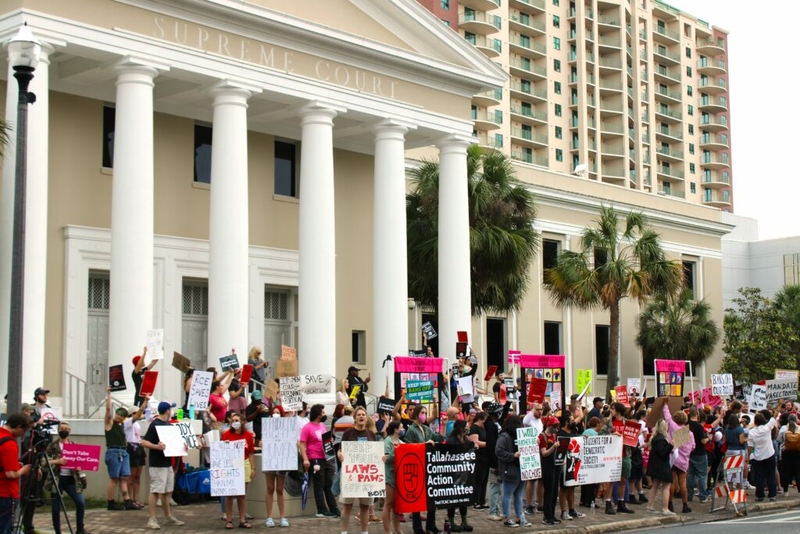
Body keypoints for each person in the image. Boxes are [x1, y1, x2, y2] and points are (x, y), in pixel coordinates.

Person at [141, 401, 185, 530]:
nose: (171, 411)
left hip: (167, 463)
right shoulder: (155, 424)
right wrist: (157, 447)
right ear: (167, 411)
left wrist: (182, 446)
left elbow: (172, 442)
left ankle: (168, 516)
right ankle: (152, 519)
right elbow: (143, 442)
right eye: (170, 409)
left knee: (167, 491)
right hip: (157, 464)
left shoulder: (167, 424)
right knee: (155, 490)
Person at [337, 406, 378, 534]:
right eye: (359, 415)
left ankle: (364, 532)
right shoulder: (348, 433)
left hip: (366, 476)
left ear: (366, 419)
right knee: (347, 506)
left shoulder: (371, 434)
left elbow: (375, 453)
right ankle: (344, 532)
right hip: (351, 476)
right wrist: (340, 454)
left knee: (365, 506)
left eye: (363, 415)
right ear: (354, 418)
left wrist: (381, 458)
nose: (361, 416)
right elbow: (340, 449)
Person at [404, 404, 443, 534]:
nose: (424, 415)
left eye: (425, 413)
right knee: (417, 499)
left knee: (432, 498)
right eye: (422, 412)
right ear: (416, 414)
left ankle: (431, 525)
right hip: (417, 467)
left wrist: (444, 425)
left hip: (429, 467)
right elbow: (408, 448)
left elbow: (439, 438)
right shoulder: (411, 430)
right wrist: (423, 445)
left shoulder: (426, 429)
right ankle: (417, 527)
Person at [45, 422, 89, 534]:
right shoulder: (52, 445)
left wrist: (79, 467)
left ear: (70, 431)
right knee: (56, 507)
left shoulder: (74, 445)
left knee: (80, 502)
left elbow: (80, 460)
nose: (64, 430)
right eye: (62, 428)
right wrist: (57, 461)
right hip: (57, 479)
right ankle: (57, 531)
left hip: (71, 479)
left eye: (66, 429)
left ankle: (80, 528)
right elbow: (44, 461)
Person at [299, 404, 340, 518]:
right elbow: (302, 444)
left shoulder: (322, 426)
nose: (324, 414)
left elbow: (325, 439)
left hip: (326, 456)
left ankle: (333, 508)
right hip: (315, 457)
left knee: (328, 483)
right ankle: (321, 508)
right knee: (319, 483)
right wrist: (305, 459)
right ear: (318, 415)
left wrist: (329, 441)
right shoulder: (307, 427)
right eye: (323, 412)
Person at [0, 413, 33, 534]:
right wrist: (23, 470)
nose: (23, 434)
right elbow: (11, 474)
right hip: (5, 492)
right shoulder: (9, 443)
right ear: (18, 426)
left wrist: (13, 465)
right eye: (24, 430)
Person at [221, 412, 256, 529]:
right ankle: (229, 520)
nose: (235, 422)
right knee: (229, 494)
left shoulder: (248, 435)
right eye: (233, 420)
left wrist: (252, 468)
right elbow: (221, 452)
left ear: (242, 422)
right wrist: (224, 445)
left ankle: (242, 519)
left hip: (244, 463)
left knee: (242, 494)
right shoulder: (226, 435)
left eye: (237, 420)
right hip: (231, 465)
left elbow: (251, 452)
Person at [103, 388, 136, 510]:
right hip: (113, 451)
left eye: (121, 416)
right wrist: (109, 394)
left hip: (123, 451)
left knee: (124, 477)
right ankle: (110, 502)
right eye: (118, 414)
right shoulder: (109, 423)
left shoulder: (122, 425)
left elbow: (136, 416)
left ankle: (127, 501)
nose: (118, 417)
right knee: (114, 478)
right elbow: (107, 410)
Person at [496, 414, 529, 528]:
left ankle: (519, 517)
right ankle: (506, 517)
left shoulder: (520, 436)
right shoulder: (504, 437)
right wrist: (512, 455)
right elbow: (499, 451)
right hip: (511, 469)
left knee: (518, 494)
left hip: (521, 468)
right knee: (508, 494)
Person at [663, 400, 694, 513]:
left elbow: (667, 415)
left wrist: (665, 403)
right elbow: (693, 446)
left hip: (673, 458)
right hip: (684, 461)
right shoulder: (689, 433)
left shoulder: (673, 427)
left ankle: (670, 504)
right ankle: (685, 505)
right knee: (682, 484)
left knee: (671, 482)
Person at [263, 405, 290, 528]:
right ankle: (269, 517)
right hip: (270, 459)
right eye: (274, 412)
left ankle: (282, 517)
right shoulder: (267, 427)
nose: (276, 414)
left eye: (278, 412)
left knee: (280, 489)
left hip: (282, 460)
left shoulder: (287, 428)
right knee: (270, 488)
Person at [445, 420, 474, 532]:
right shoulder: (451, 440)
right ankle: (451, 522)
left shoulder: (466, 439)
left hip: (464, 473)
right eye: (465, 426)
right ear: (460, 428)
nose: (467, 428)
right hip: (453, 473)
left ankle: (464, 521)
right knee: (452, 499)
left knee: (464, 498)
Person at [645, 419, 676, 515]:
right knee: (666, 486)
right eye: (666, 426)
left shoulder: (656, 438)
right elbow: (663, 453)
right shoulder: (661, 439)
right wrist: (671, 446)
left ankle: (650, 506)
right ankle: (665, 508)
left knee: (655, 485)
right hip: (661, 466)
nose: (667, 427)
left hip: (656, 465)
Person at [748, 409, 779, 502]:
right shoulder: (767, 428)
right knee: (771, 475)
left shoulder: (752, 432)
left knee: (759, 477)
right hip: (769, 454)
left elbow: (750, 446)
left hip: (758, 456)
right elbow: (774, 417)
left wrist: (747, 457)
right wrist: (779, 405)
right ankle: (772, 494)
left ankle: (760, 495)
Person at [125, 399, 150, 509]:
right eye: (136, 413)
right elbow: (138, 414)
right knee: (131, 475)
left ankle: (136, 499)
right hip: (131, 447)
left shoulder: (138, 425)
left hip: (138, 446)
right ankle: (128, 499)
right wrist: (144, 402)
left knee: (138, 476)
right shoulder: (128, 422)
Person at [382, 421, 404, 534]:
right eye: (401, 427)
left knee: (397, 506)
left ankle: (398, 530)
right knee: (388, 504)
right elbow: (386, 457)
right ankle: (388, 531)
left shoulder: (401, 442)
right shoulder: (387, 441)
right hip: (389, 477)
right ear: (396, 429)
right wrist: (399, 452)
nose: (403, 429)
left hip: (398, 477)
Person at [687, 406, 710, 503]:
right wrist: (709, 438)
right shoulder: (699, 427)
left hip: (689, 452)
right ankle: (703, 496)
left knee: (690, 475)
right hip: (700, 453)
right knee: (702, 475)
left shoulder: (686, 424)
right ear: (697, 413)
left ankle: (689, 495)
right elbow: (703, 441)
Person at [469, 412, 489, 511]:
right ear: (480, 419)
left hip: (486, 457)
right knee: (479, 480)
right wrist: (489, 443)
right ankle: (476, 501)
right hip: (478, 457)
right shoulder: (474, 428)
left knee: (484, 480)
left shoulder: (483, 429)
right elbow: (475, 442)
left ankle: (482, 500)